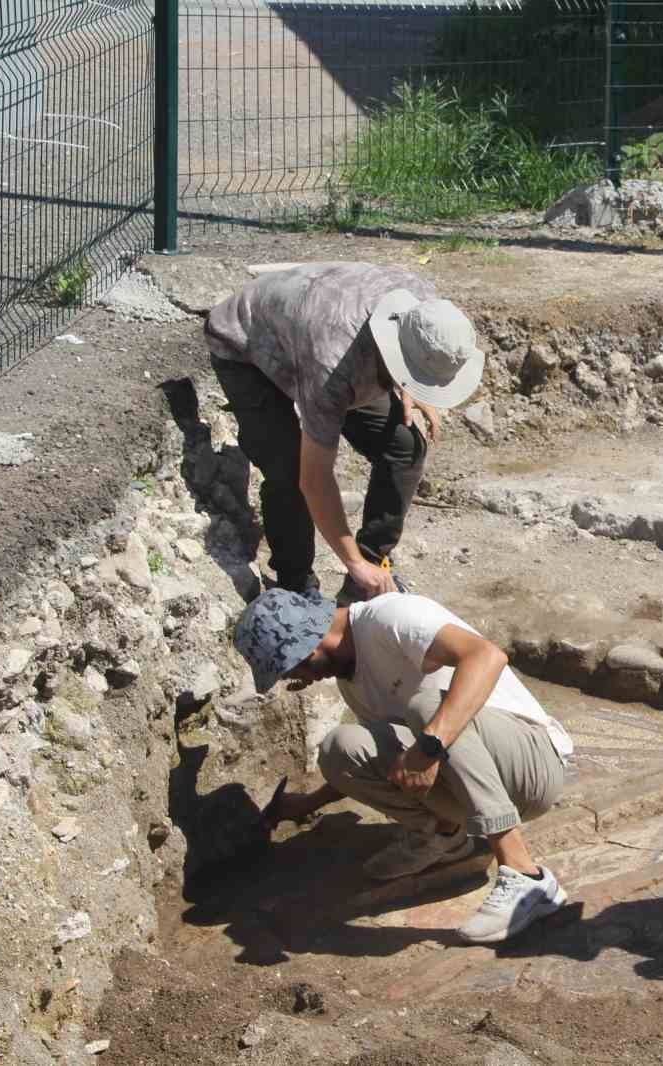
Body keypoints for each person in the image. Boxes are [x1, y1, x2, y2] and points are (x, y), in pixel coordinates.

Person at [233, 587, 574, 944]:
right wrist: (309, 803)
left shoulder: (390, 617)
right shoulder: (353, 682)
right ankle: (444, 839)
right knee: (340, 747)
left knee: (425, 707)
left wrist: (427, 747)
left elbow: (487, 656)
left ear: (306, 643)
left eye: (291, 667)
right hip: (478, 779)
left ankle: (526, 876)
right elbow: (391, 754)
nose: (298, 679)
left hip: (534, 762)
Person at [206, 262, 485, 603]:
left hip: (314, 335)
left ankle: (369, 574)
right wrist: (348, 560)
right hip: (246, 345)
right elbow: (315, 479)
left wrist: (413, 385)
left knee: (405, 445)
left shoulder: (424, 307)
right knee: (288, 470)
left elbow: (408, 347)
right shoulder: (333, 367)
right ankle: (296, 586)